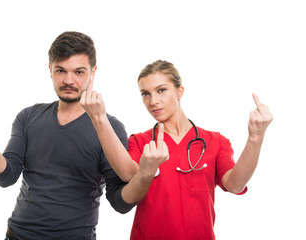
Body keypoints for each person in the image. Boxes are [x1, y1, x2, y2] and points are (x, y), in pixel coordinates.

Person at [0, 31, 137, 240]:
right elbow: (6, 176)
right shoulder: (28, 116)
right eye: (60, 71)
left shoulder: (110, 126)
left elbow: (119, 201)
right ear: (50, 70)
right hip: (17, 235)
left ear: (93, 73)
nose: (68, 80)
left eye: (79, 72)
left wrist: (145, 174)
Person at [81, 59, 273, 239]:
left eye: (161, 90)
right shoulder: (140, 141)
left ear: (179, 92)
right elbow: (128, 174)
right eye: (145, 94)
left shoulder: (215, 141)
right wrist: (99, 117)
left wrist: (255, 137)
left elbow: (235, 185)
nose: (153, 101)